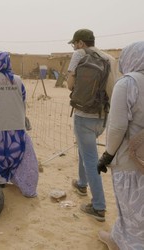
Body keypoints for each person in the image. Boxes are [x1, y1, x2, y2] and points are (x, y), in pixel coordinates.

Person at [97, 41, 144, 249]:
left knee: (131, 207)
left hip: (129, 159)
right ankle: (117, 237)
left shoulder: (127, 83)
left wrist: (107, 155)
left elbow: (117, 128)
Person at [67, 29, 117, 222]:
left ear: (80, 43)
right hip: (103, 118)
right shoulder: (109, 58)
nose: (74, 47)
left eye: (74, 44)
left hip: (83, 117)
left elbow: (70, 86)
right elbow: (114, 90)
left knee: (89, 159)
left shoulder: (79, 55)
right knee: (85, 150)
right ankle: (81, 184)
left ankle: (98, 207)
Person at [0, 51, 38, 197]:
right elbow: (23, 100)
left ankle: (0, 180)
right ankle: (22, 182)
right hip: (16, 124)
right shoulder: (18, 80)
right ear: (8, 64)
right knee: (17, 152)